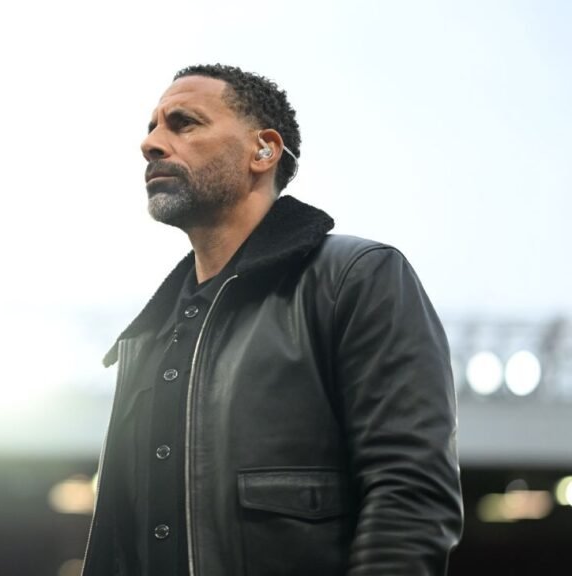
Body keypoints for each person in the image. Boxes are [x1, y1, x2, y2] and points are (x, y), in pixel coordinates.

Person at [81, 64, 463, 576]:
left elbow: (410, 494)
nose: (151, 143)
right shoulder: (148, 336)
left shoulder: (355, 277)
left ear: (263, 150)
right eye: (151, 127)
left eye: (183, 123)